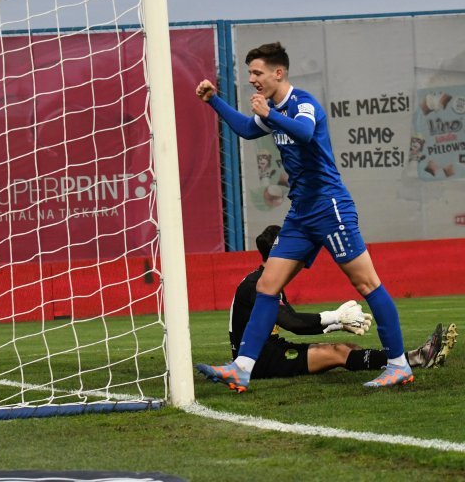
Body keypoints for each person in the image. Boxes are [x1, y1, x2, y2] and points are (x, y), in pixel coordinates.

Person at [195, 41, 414, 390]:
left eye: (257, 72)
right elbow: (248, 129)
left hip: (330, 208)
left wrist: (269, 114)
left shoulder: (302, 103)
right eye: (249, 72)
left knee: (366, 284)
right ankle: (242, 368)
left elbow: (305, 132)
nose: (252, 79)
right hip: (301, 214)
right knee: (268, 285)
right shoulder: (273, 111)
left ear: (278, 73)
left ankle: (398, 364)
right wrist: (214, 101)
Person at [226, 225, 458, 380]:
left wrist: (338, 325)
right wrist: (336, 317)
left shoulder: (266, 280)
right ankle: (418, 357)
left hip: (268, 351)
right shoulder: (258, 286)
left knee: (350, 348)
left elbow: (292, 320)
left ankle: (409, 359)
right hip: (259, 361)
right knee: (338, 353)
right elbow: (294, 323)